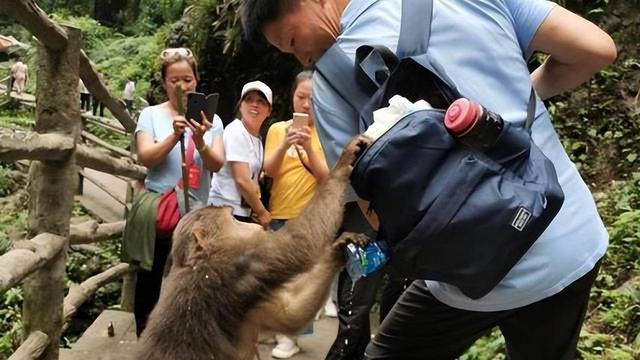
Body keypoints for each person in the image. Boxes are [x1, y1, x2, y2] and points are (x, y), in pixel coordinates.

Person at [241, 0, 617, 359]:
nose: (302, 58)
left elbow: (374, 212)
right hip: (567, 237)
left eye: (291, 41)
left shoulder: (332, 83)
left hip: (466, 271)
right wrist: (511, 112)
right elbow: (595, 49)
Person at [125, 47, 225, 336]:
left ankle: (184, 339)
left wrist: (200, 139)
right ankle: (145, 339)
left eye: (188, 79)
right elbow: (146, 156)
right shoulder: (150, 115)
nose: (182, 86)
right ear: (164, 81)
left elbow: (216, 164)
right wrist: (174, 135)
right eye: (174, 80)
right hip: (160, 212)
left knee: (192, 280)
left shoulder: (212, 120)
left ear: (196, 80)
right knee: (150, 277)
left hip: (195, 216)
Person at [263, 70, 330, 358]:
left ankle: (291, 336)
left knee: (303, 282)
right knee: (279, 279)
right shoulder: (278, 129)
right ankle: (284, 334)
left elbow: (328, 178)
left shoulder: (327, 133)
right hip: (280, 214)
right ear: (292, 96)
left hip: (311, 220)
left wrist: (307, 148)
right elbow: (269, 171)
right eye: (301, 97)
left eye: (312, 100)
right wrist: (286, 144)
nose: (305, 104)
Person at [208, 80, 273, 228]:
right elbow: (242, 179)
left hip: (241, 212)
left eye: (261, 101)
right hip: (224, 212)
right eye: (248, 99)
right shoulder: (236, 131)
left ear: (269, 111)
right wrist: (262, 212)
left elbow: (252, 177)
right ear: (240, 105)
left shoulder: (257, 138)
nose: (254, 104)